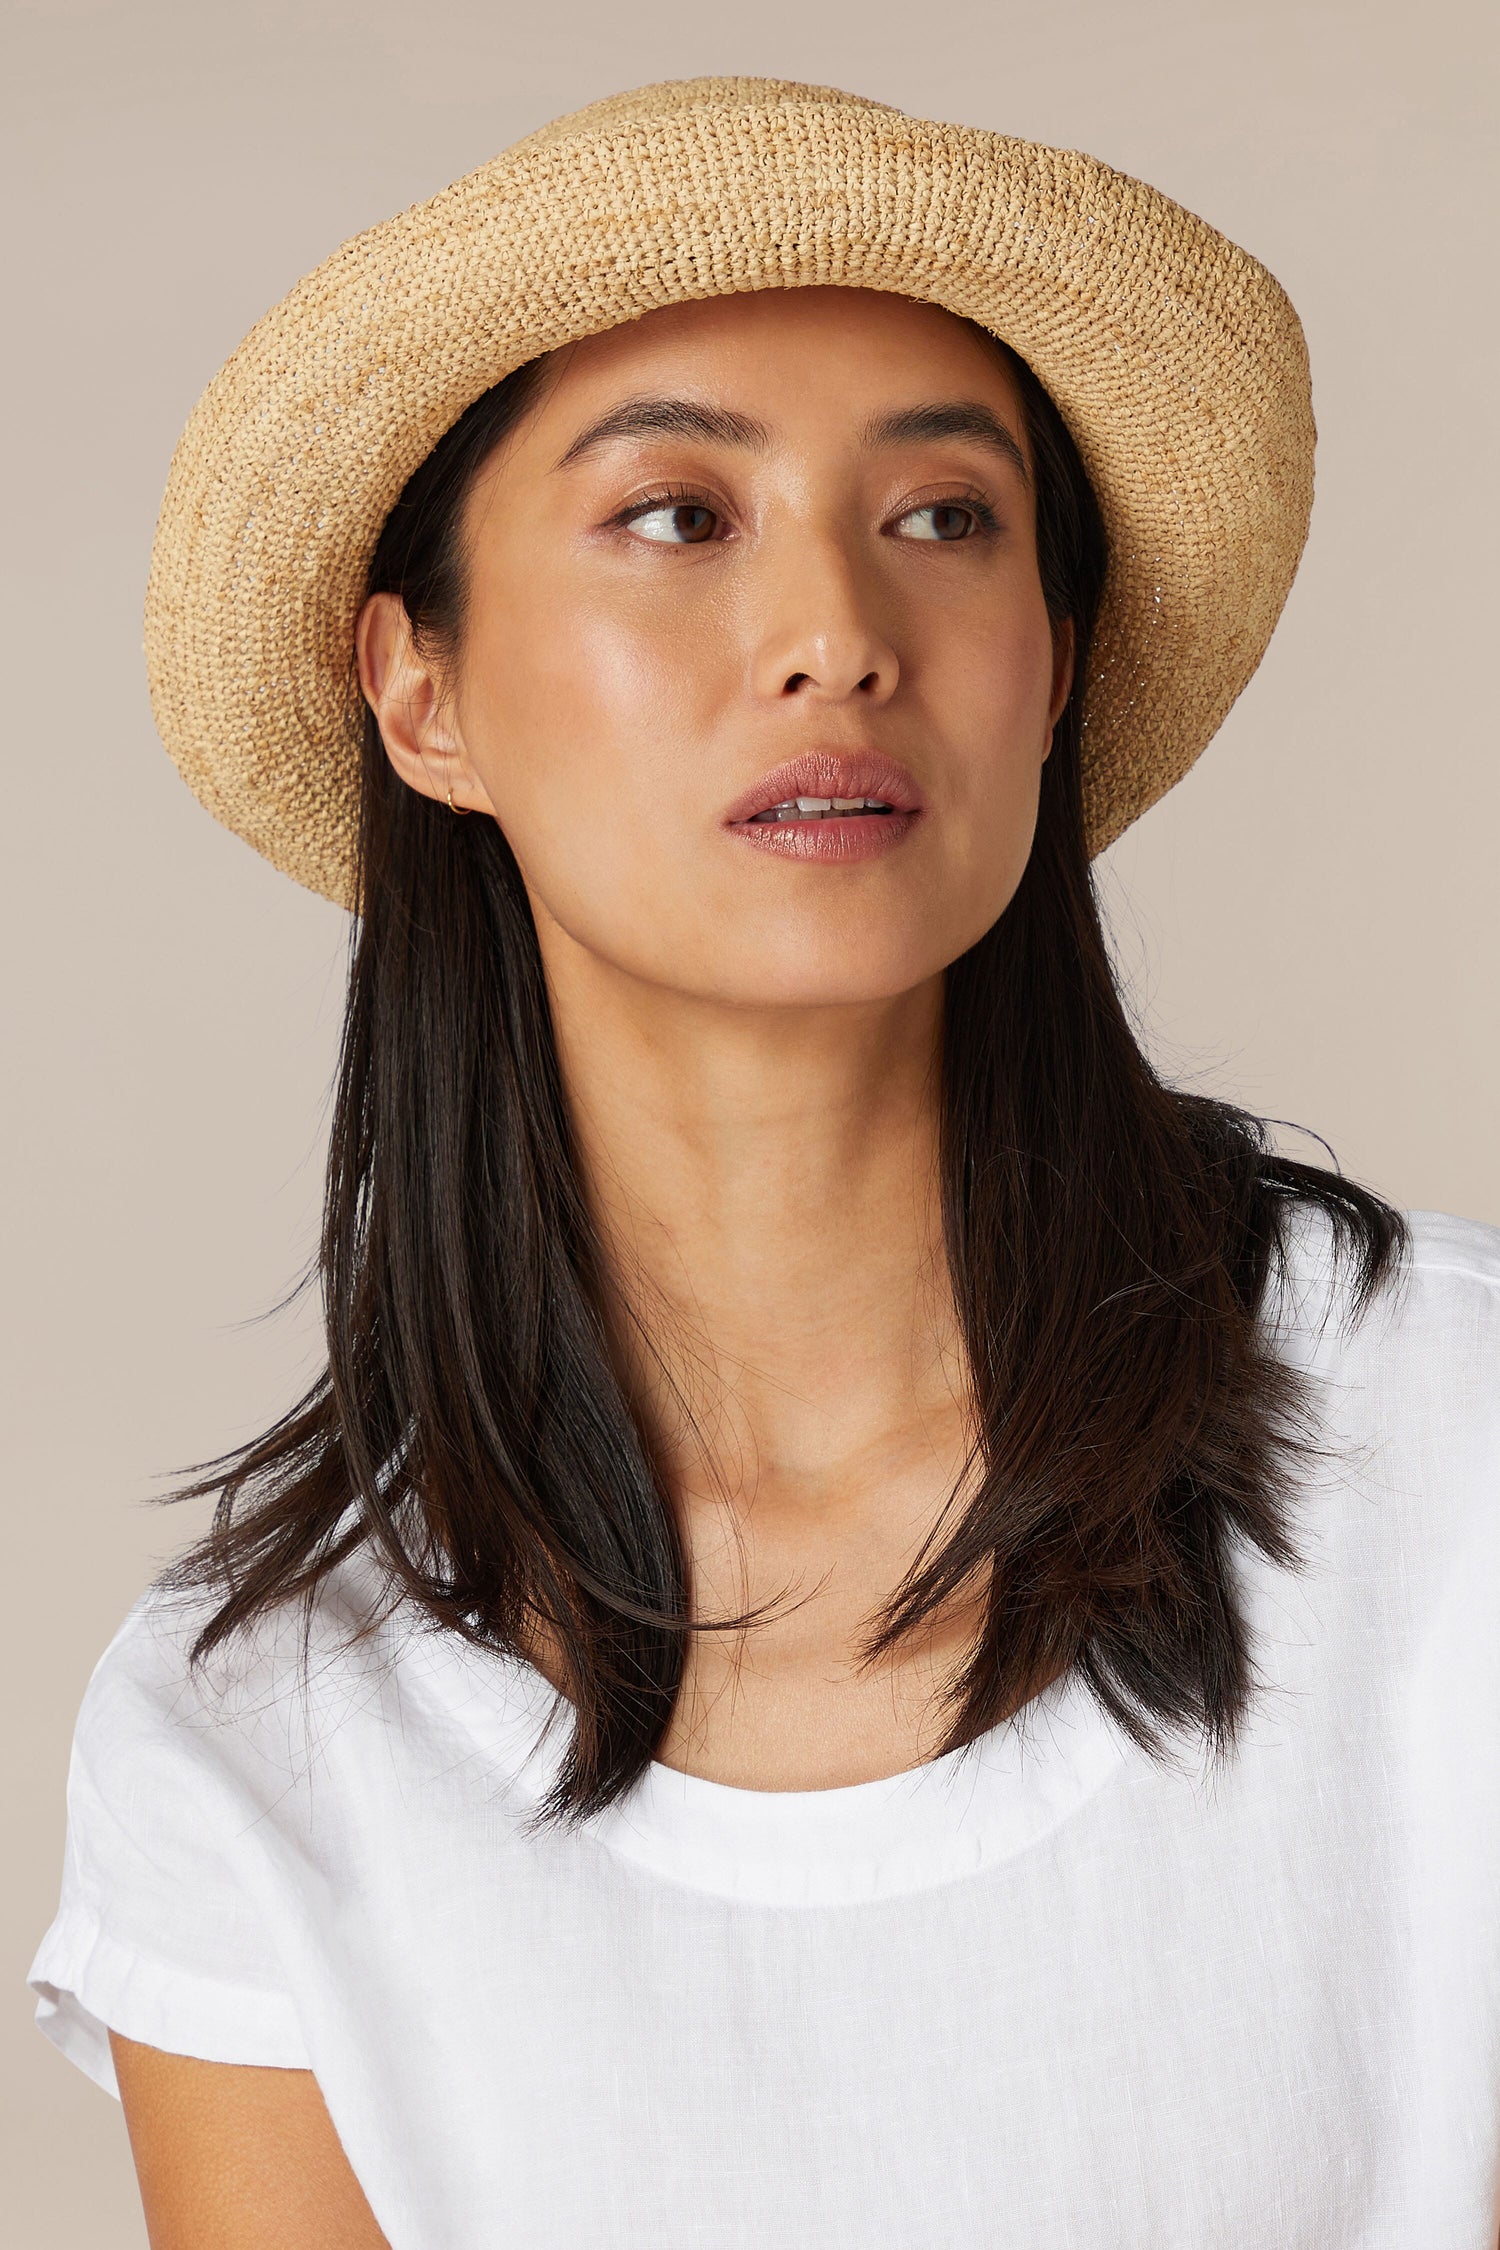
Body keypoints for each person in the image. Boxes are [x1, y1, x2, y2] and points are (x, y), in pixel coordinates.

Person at [28, 75, 1500, 2250]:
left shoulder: (1455, 1453)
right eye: (675, 516)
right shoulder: (257, 1737)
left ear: (1053, 669)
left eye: (941, 517)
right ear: (419, 692)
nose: (837, 633)